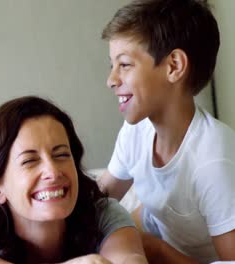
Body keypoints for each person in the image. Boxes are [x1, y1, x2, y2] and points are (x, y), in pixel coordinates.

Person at [98, 0, 235, 263]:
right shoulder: (136, 131)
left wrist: (157, 249)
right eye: (112, 65)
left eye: (124, 65)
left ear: (173, 66)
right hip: (154, 231)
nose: (111, 80)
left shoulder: (212, 162)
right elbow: (100, 199)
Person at [0, 96, 147, 263]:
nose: (53, 172)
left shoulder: (103, 212)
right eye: (30, 160)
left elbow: (129, 258)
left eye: (61, 155)